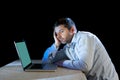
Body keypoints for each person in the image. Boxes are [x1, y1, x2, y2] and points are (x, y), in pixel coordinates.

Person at [42, 17, 119, 80]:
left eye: (61, 31)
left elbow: (85, 66)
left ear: (72, 30)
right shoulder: (68, 48)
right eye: (56, 34)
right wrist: (56, 45)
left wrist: (61, 63)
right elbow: (45, 61)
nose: (58, 36)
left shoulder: (85, 37)